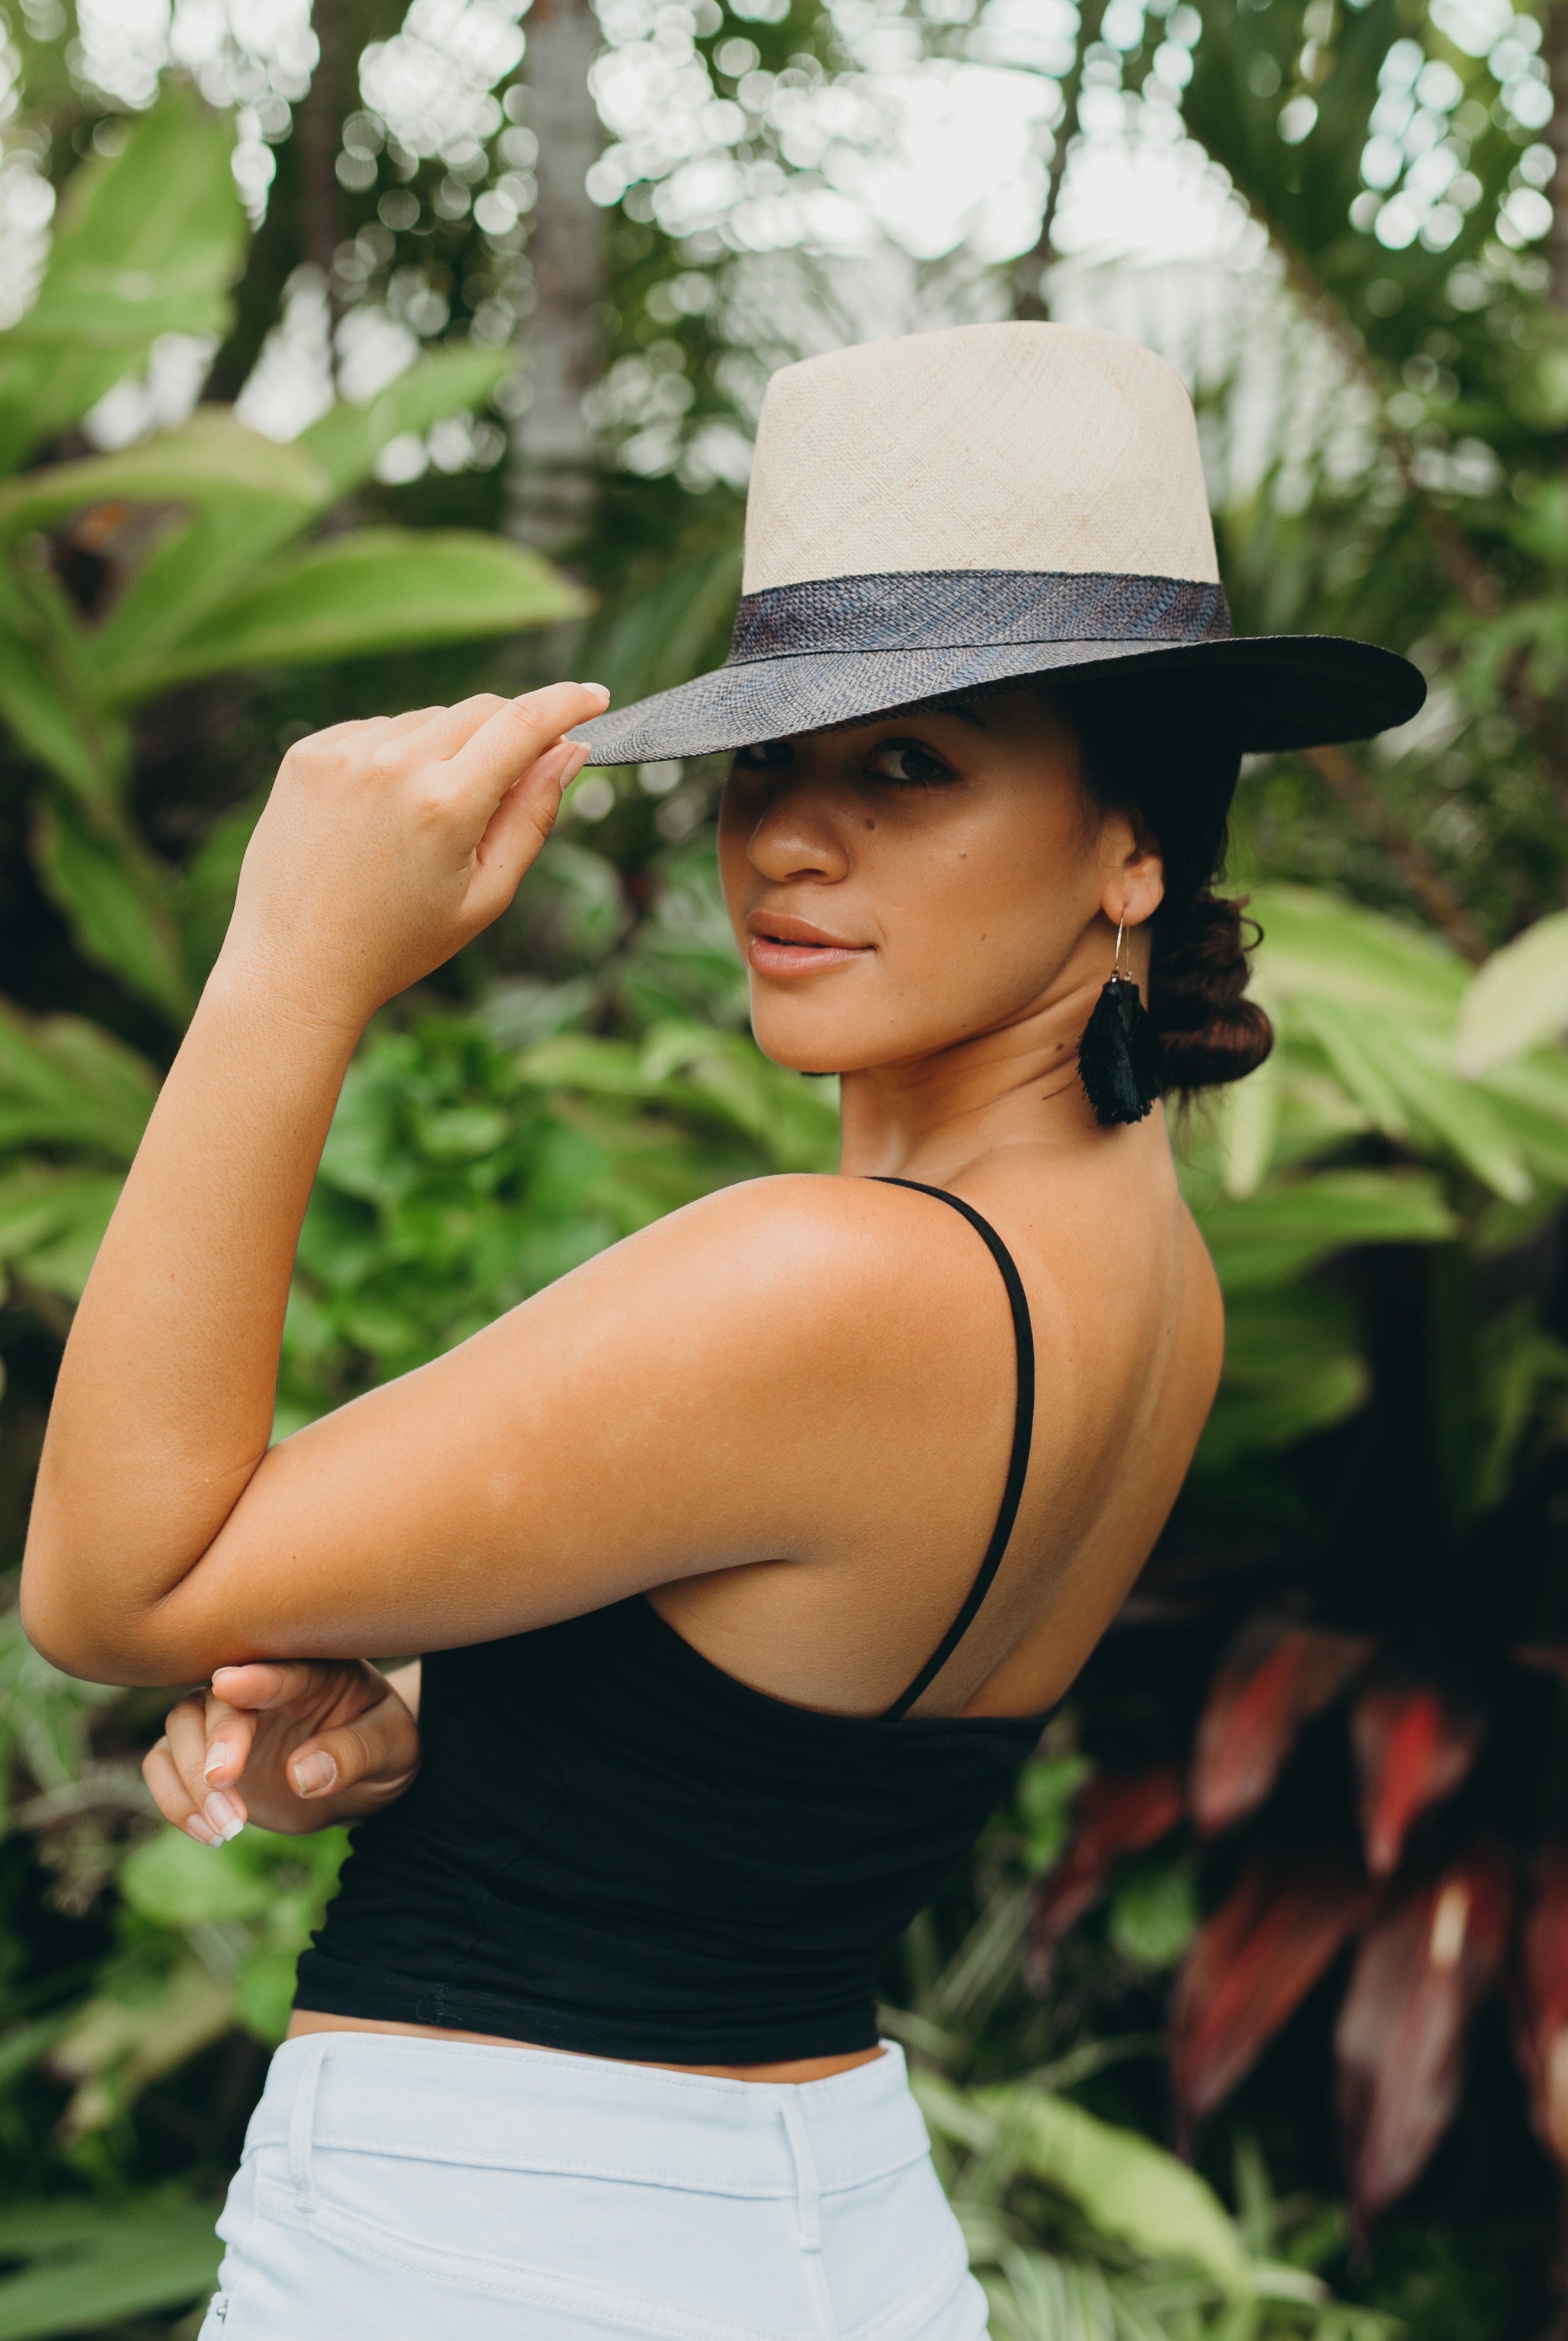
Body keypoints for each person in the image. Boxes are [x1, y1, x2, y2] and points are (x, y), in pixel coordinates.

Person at [21, 323, 1422, 2340]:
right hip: (817, 2220)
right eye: (770, 755)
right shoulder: (1147, 1276)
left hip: (498, 2240)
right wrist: (450, 1726)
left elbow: (111, 1579)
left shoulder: (831, 1277)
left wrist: (293, 958)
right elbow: (765, 1750)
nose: (785, 836)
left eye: (910, 763)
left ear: (1136, 837)